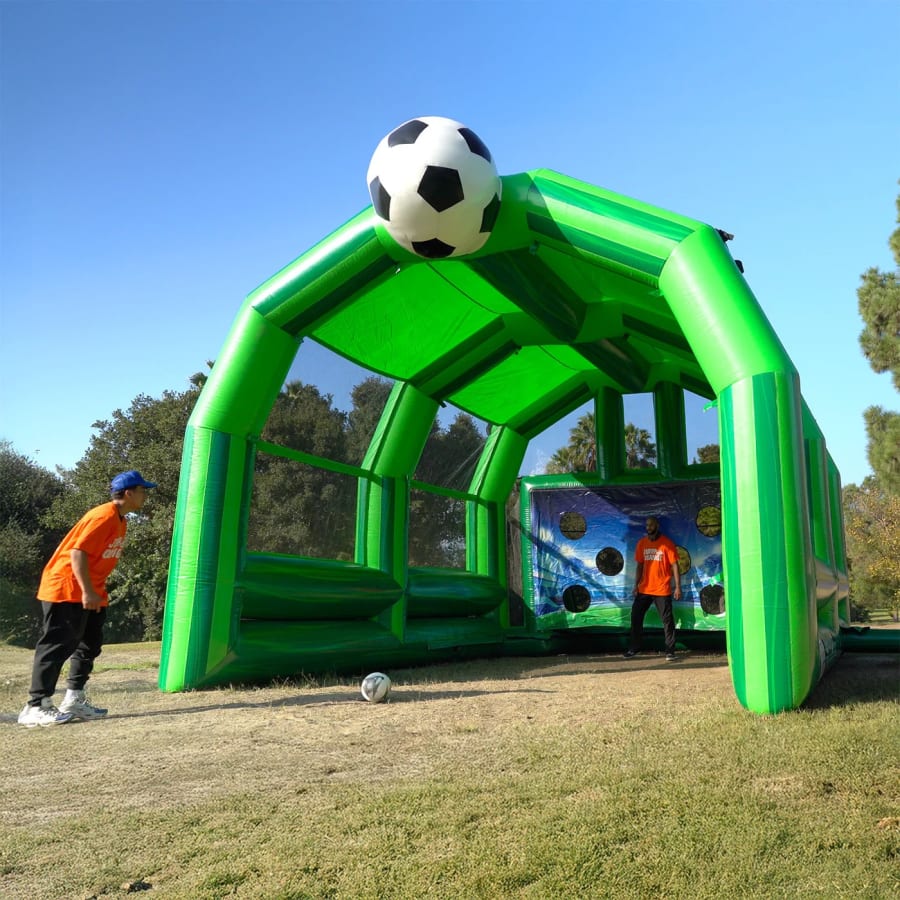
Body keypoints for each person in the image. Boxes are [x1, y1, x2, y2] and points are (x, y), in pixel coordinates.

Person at [17, 470, 156, 727]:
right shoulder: (103, 516)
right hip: (67, 587)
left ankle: (73, 699)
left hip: (91, 590)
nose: (145, 495)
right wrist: (87, 590)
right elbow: (77, 552)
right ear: (128, 493)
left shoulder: (121, 520)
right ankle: (36, 706)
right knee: (57, 645)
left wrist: (95, 590)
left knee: (89, 645)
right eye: (142, 490)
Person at [623, 516, 681, 661]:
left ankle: (670, 651)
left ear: (657, 525)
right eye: (647, 525)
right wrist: (636, 585)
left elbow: (675, 565)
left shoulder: (667, 543)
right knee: (636, 617)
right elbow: (639, 566)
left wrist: (678, 587)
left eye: (651, 525)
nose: (649, 527)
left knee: (667, 621)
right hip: (644, 589)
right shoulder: (642, 543)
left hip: (662, 589)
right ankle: (634, 648)